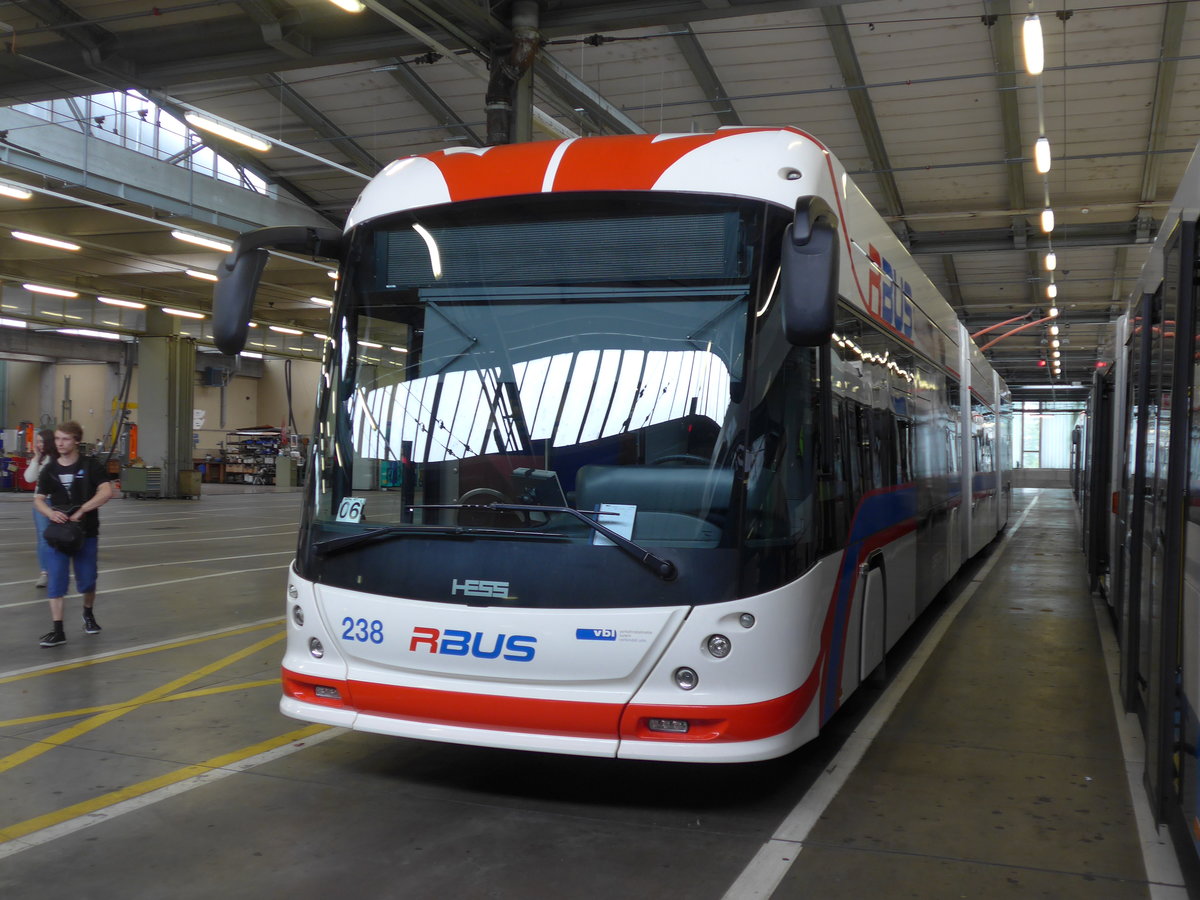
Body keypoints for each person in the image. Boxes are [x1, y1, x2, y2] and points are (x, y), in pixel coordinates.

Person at [33, 421, 115, 648]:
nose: (60, 443)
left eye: (65, 439)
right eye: (57, 439)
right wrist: (50, 513)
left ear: (76, 441)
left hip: (86, 532)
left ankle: (87, 613)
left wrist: (83, 510)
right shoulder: (49, 469)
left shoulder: (90, 466)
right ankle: (57, 630)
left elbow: (107, 491)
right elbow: (38, 499)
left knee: (87, 580)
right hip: (58, 534)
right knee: (56, 581)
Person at [22, 428, 56, 588]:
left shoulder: (57, 459)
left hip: (58, 502)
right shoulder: (39, 459)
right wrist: (36, 458)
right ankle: (45, 572)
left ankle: (57, 568)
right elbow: (29, 478)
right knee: (43, 537)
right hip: (41, 502)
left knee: (59, 537)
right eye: (37, 441)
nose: (39, 444)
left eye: (42, 441)